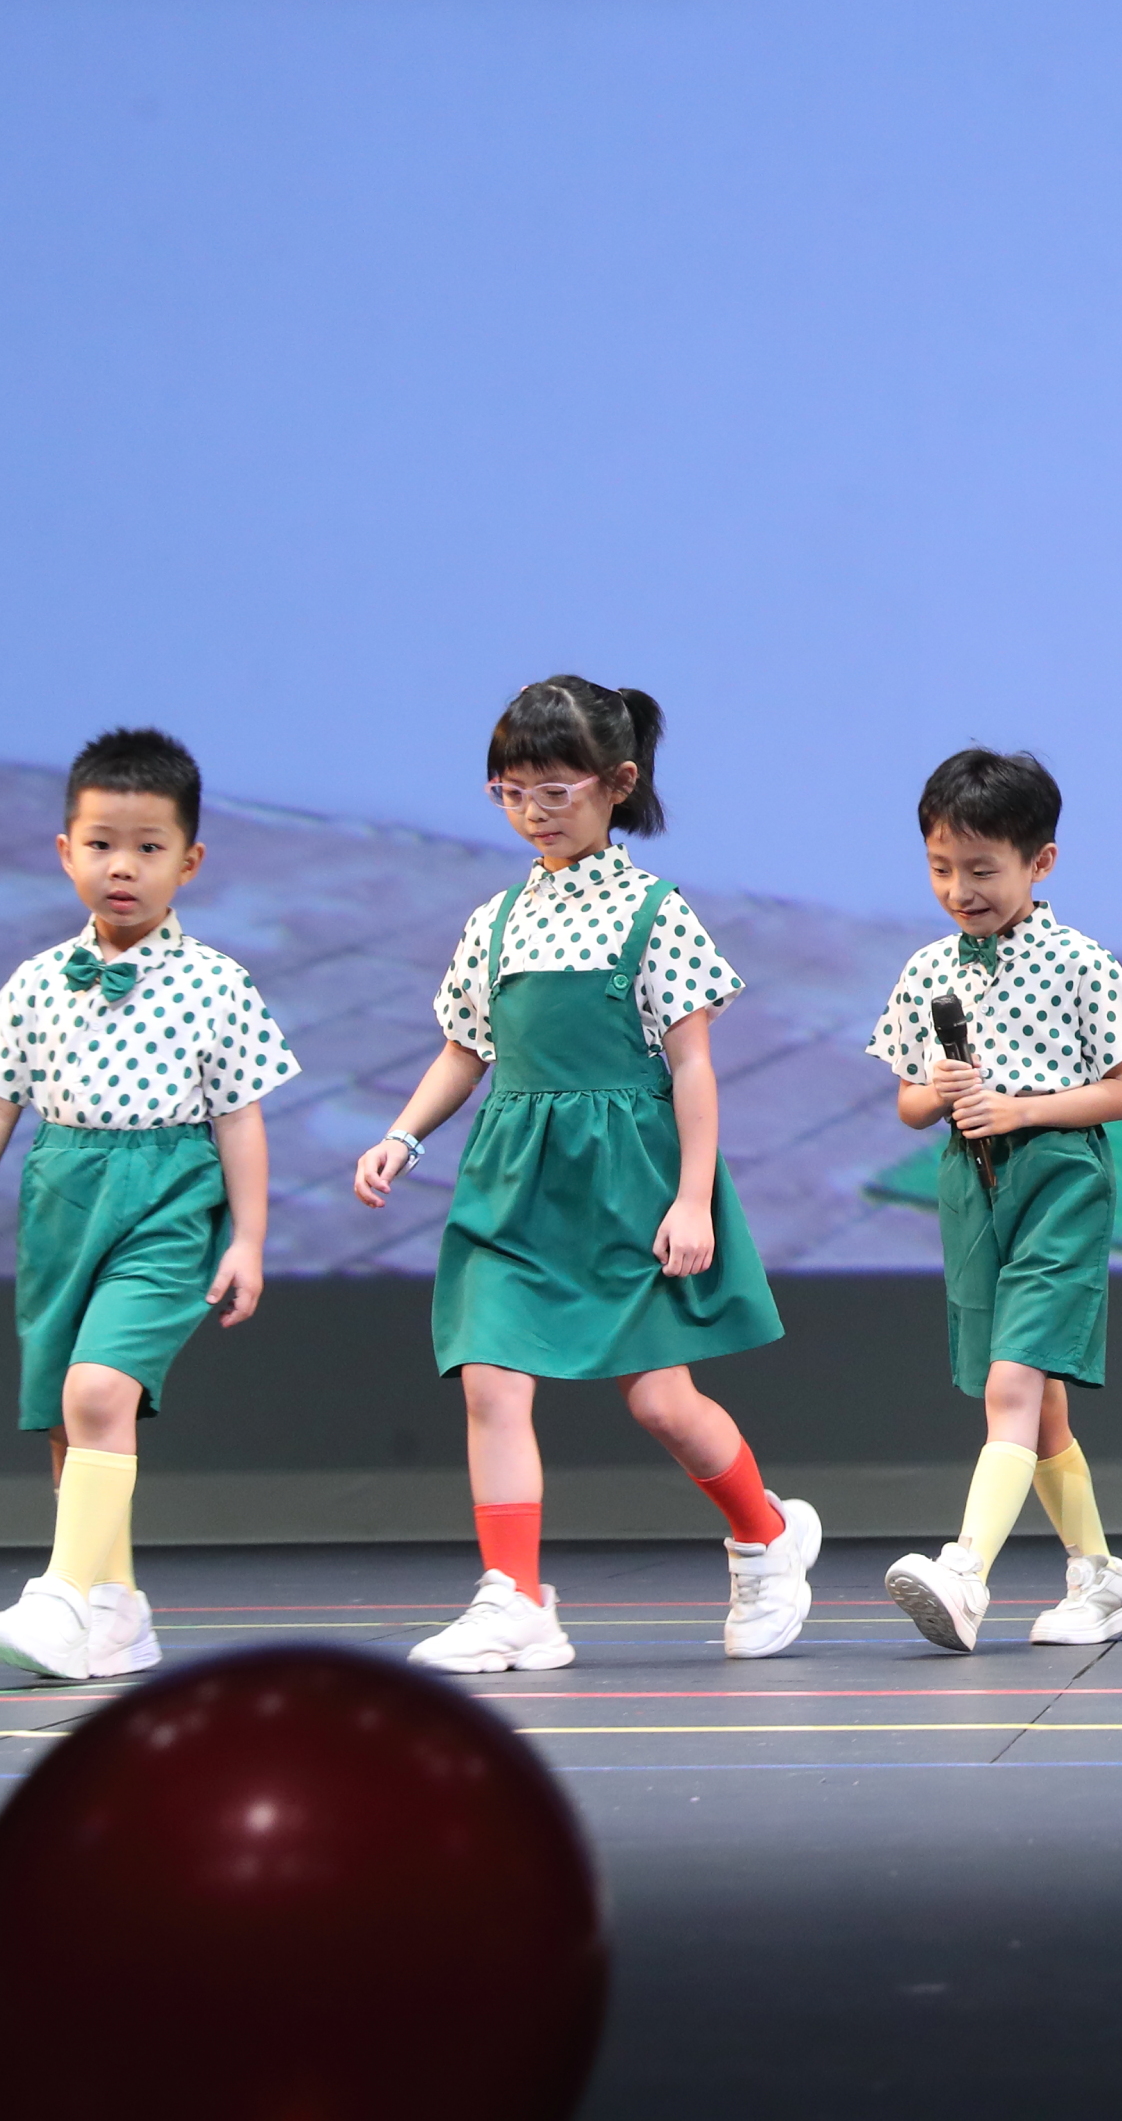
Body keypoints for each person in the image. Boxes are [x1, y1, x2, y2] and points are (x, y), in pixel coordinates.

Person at [354, 676, 812, 1673]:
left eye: (555, 791)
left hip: (625, 1184)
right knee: (489, 1379)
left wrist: (692, 1199)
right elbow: (465, 1048)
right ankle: (516, 1597)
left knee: (661, 1402)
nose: (534, 811)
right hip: (512, 1184)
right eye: (511, 792)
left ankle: (767, 1535)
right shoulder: (496, 918)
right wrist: (403, 1134)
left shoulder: (656, 913)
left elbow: (693, 1066)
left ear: (617, 784)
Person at [0, 728, 300, 1682]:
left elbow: (241, 1119)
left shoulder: (216, 983)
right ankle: (115, 1609)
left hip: (167, 1202)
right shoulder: (36, 980)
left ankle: (56, 1596)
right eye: (100, 844)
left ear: (189, 862)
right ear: (65, 852)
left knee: (99, 1392)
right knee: (70, 1417)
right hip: (63, 1199)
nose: (121, 867)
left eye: (147, 847)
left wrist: (249, 1238)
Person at [874, 748, 1122, 1656]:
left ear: (1040, 862)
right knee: (1038, 1409)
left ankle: (965, 1573)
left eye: (981, 870)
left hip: (1060, 1181)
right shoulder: (928, 970)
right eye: (940, 869)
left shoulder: (1079, 962)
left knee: (1013, 1383)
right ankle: (1101, 1578)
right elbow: (908, 1103)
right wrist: (939, 1089)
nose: (959, 890)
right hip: (972, 1184)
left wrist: (1021, 1108)